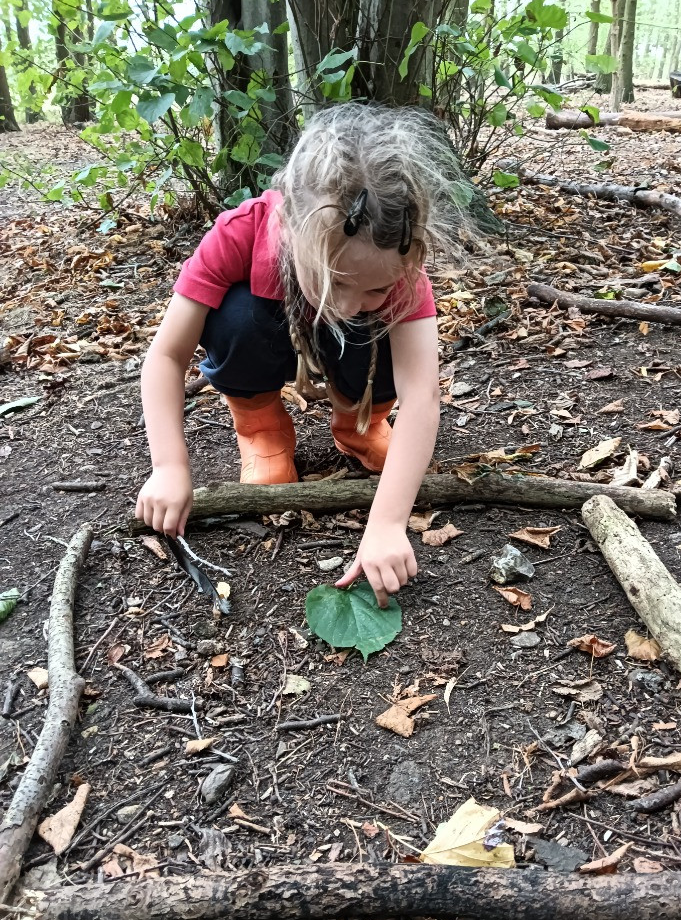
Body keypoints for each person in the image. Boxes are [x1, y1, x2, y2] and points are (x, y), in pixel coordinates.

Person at [135, 102, 471, 607]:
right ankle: (261, 427)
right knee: (237, 313)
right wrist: (168, 467)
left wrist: (386, 521)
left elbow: (421, 397)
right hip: (269, 332)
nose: (348, 304)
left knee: (380, 325)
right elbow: (166, 356)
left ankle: (360, 425)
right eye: (335, 281)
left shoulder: (399, 269)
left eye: (374, 288)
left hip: (359, 361)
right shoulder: (241, 232)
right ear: (292, 231)